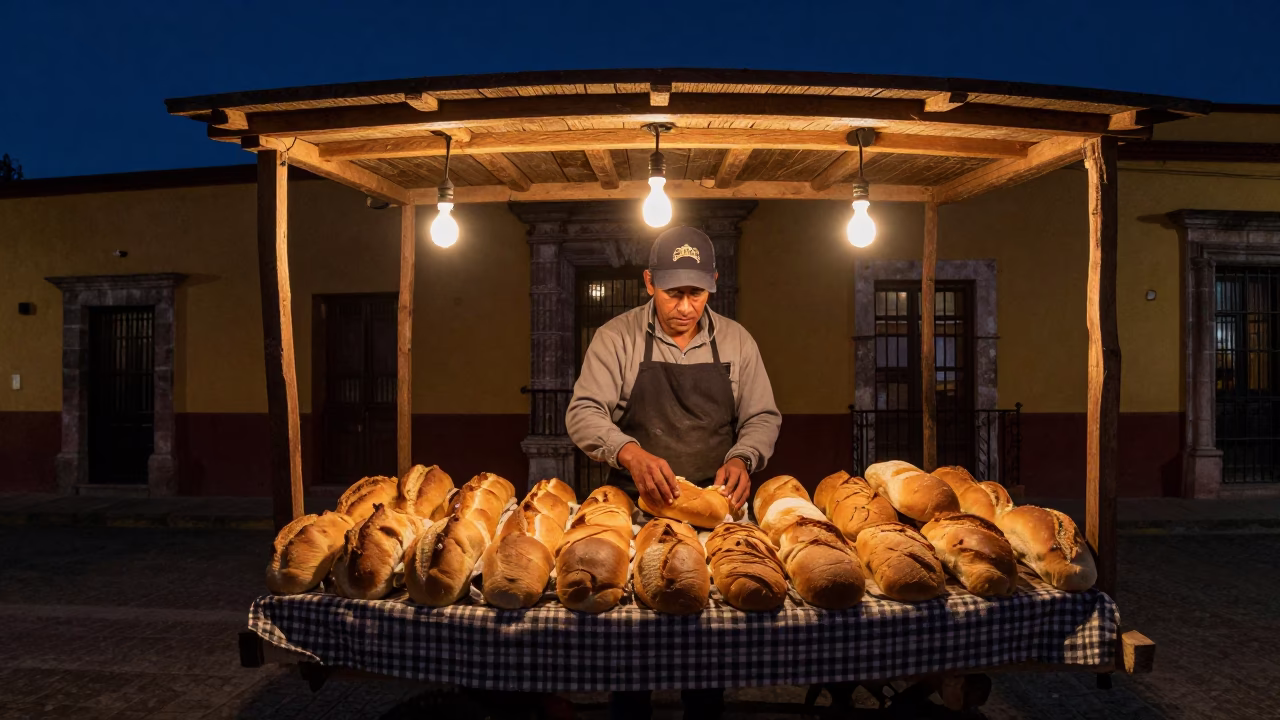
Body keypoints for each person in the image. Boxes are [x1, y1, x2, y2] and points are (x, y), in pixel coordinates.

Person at [566, 225, 782, 720]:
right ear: (648, 282)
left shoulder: (736, 341)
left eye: (696, 293)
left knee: (707, 646)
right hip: (635, 506)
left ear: (713, 284)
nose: (685, 307)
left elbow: (763, 416)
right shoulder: (616, 337)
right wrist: (628, 451)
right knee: (632, 646)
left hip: (717, 506)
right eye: (673, 293)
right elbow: (583, 413)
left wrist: (743, 457)